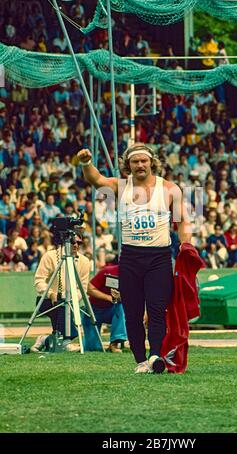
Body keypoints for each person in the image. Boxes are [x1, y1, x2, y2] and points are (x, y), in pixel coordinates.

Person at [77, 143, 191, 374]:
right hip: (130, 258)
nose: (140, 165)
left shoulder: (170, 189)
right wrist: (86, 162)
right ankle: (140, 360)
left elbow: (183, 222)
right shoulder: (121, 187)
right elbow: (96, 180)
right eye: (135, 161)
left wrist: (186, 246)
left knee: (158, 309)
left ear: (152, 162)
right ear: (128, 165)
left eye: (143, 161)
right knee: (133, 312)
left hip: (158, 257)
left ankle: (155, 356)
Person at [31, 233, 90, 352]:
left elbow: (83, 288)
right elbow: (39, 281)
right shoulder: (50, 256)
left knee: (65, 306)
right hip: (47, 299)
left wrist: (73, 298)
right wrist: (50, 293)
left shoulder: (84, 261)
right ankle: (67, 341)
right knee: (63, 305)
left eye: (79, 243)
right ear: (65, 242)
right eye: (73, 242)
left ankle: (46, 340)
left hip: (70, 301)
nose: (75, 245)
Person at [82, 262, 127, 353]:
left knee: (121, 307)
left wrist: (120, 297)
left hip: (113, 310)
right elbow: (90, 289)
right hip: (93, 310)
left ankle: (114, 344)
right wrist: (109, 298)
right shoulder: (108, 271)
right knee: (93, 349)